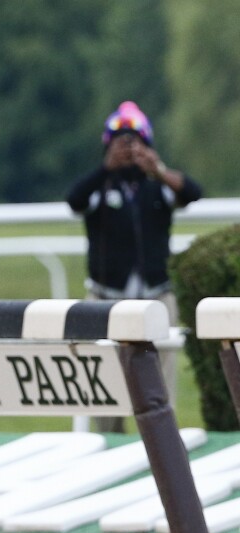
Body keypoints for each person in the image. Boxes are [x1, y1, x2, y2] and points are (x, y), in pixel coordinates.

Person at [66, 100, 203, 433]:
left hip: (157, 295)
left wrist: (157, 170)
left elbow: (193, 193)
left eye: (135, 143)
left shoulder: (158, 185)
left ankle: (161, 438)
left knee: (161, 378)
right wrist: (106, 168)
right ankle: (110, 440)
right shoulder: (101, 185)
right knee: (106, 380)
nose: (128, 150)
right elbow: (75, 200)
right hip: (105, 297)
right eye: (121, 143)